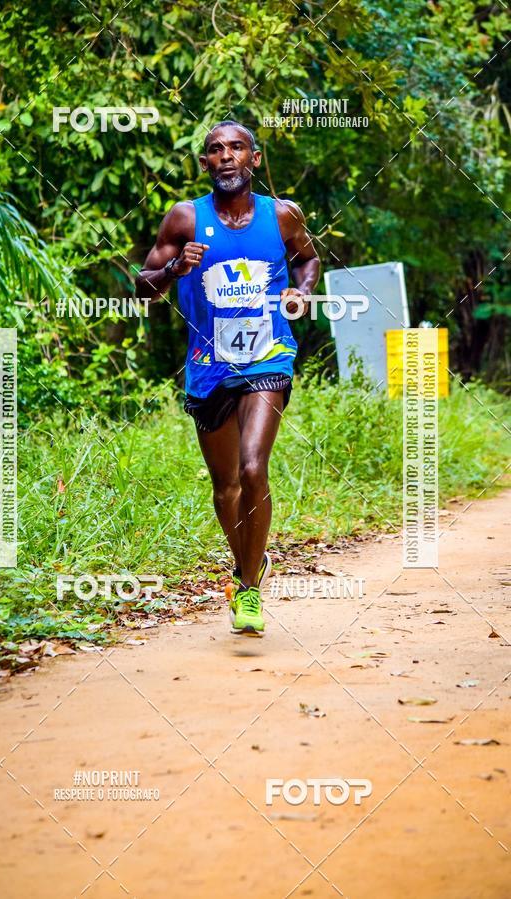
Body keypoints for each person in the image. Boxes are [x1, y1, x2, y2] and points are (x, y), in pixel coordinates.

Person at [135, 120, 320, 635]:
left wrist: (302, 294)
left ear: (254, 159)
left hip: (269, 358)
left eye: (237, 147)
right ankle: (246, 567)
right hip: (208, 366)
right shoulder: (184, 218)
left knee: (253, 467)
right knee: (226, 487)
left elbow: (308, 260)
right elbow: (141, 288)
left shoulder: (281, 216)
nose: (226, 156)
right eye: (215, 150)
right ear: (205, 164)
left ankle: (249, 587)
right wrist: (174, 272)